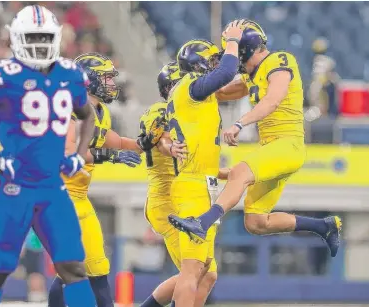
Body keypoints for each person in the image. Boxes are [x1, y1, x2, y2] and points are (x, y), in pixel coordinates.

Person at [169, 19, 342, 259]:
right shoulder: (253, 75)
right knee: (256, 222)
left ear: (244, 49)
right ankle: (324, 226)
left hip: (288, 144)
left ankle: (203, 222)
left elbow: (272, 100)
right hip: (273, 149)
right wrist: (181, 86)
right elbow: (217, 91)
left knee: (240, 173)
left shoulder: (280, 61)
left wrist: (240, 123)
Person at [0, 5, 98, 307]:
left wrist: (79, 155)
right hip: (12, 186)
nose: (39, 43)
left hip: (53, 187)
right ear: (16, 39)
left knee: (74, 268)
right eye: (32, 37)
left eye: (44, 37)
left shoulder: (70, 73)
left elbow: (87, 114)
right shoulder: (3, 74)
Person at [47, 53, 143, 307]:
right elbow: (69, 152)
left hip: (77, 197)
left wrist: (143, 144)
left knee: (92, 267)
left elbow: (113, 139)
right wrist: (112, 156)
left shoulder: (100, 111)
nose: (112, 83)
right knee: (80, 269)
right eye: (107, 77)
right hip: (58, 196)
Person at [163, 21, 243, 307]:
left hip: (202, 183)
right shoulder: (190, 89)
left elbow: (233, 86)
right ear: (196, 65)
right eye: (209, 60)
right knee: (192, 269)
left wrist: (259, 77)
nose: (214, 65)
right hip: (192, 185)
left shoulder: (198, 94)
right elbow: (226, 73)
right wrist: (233, 40)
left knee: (206, 272)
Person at [140, 62, 225, 307]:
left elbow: (192, 156)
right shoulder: (161, 109)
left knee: (206, 274)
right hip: (166, 199)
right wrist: (169, 147)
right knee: (195, 272)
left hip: (180, 196)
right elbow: (158, 140)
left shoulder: (187, 113)